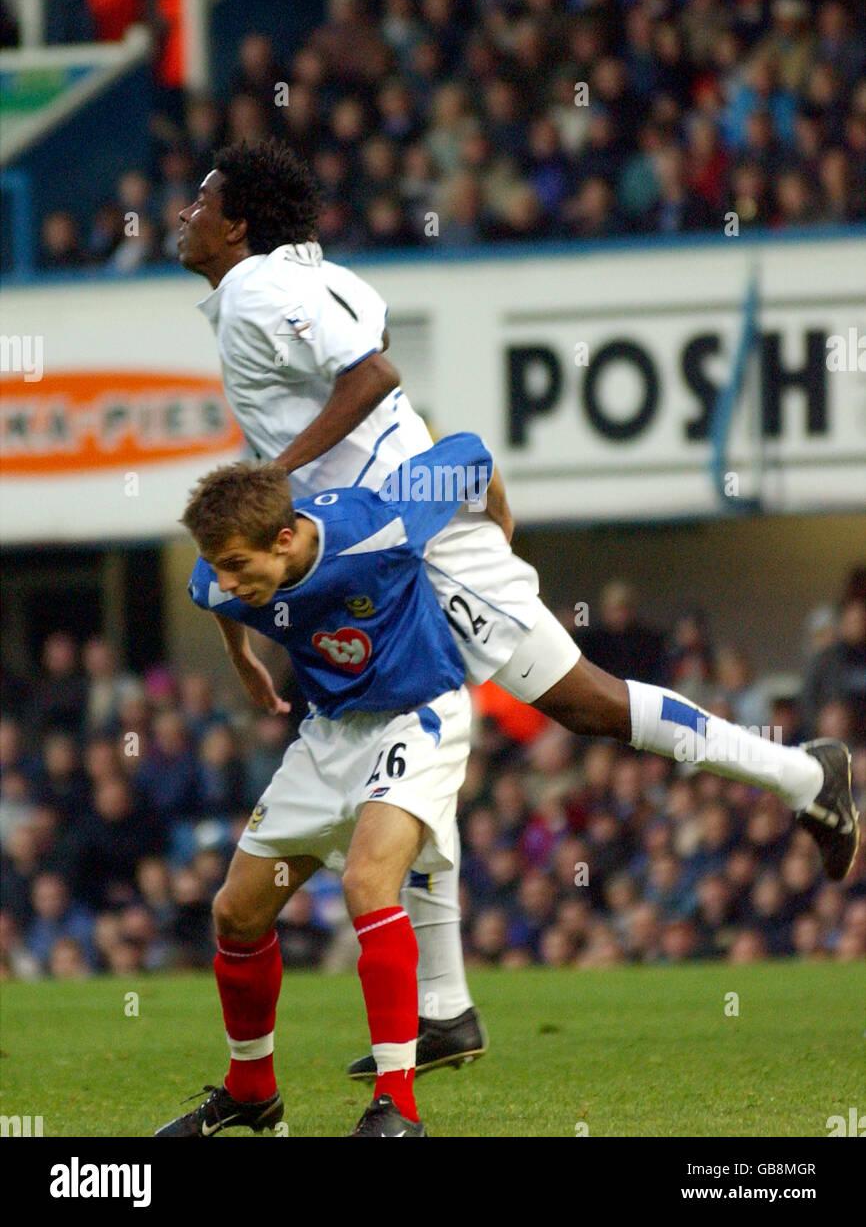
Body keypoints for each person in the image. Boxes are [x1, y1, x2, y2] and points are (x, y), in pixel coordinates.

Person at [177, 139, 860, 1079]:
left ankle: (800, 773)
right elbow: (381, 388)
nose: (183, 215)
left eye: (200, 201)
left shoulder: (259, 289)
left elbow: (374, 376)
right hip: (394, 531)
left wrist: (273, 481)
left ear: (239, 223)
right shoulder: (304, 277)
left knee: (582, 700)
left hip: (411, 542)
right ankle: (447, 1007)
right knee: (400, 745)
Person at [155, 433, 494, 1137]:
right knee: (236, 914)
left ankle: (397, 1107)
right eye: (217, 566)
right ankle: (252, 1091)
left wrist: (502, 541)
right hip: (329, 734)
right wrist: (242, 656)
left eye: (239, 567)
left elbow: (470, 454)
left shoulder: (379, 525)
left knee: (368, 882)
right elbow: (210, 591)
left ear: (285, 538)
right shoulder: (223, 572)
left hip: (417, 716)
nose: (227, 581)